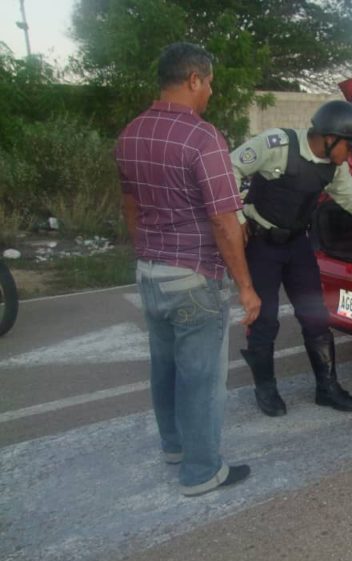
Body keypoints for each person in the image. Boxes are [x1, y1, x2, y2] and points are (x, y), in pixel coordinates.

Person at [116, 42, 261, 497]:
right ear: (194, 79)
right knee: (201, 379)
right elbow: (223, 221)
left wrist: (147, 250)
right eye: (210, 83)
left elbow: (130, 204)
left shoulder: (131, 133)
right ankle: (201, 471)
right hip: (194, 277)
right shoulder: (202, 137)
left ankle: (175, 446)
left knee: (164, 368)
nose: (211, 93)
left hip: (150, 273)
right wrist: (246, 287)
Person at [230, 100, 352, 417]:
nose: (351, 155)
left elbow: (350, 198)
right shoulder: (278, 144)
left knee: (316, 316)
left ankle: (326, 388)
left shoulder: (334, 165)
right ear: (329, 137)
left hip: (298, 245)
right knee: (265, 320)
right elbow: (227, 169)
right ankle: (266, 389)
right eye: (349, 147)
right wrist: (237, 218)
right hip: (262, 244)